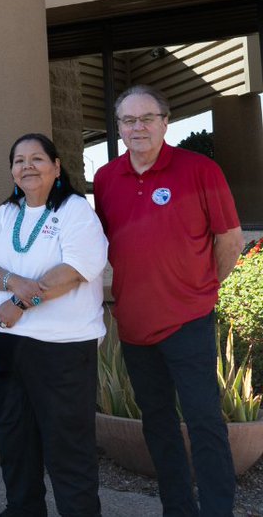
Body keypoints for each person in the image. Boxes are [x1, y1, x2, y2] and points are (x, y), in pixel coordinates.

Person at [93, 84, 244, 516]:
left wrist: (202, 288)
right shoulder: (105, 178)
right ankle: (177, 508)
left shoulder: (199, 169)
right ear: (119, 127)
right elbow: (100, 244)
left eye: (146, 119)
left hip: (189, 320)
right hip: (136, 325)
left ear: (165, 121)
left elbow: (230, 239)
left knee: (204, 422)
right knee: (157, 425)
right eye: (128, 120)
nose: (137, 127)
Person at [0, 133, 108, 517]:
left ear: (57, 166)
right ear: (12, 170)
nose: (27, 166)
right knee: (12, 437)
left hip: (60, 347)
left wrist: (18, 302)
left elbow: (75, 271)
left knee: (68, 444)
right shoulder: (5, 214)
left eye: (37, 159)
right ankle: (23, 510)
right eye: (19, 160)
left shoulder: (75, 211)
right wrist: (13, 281)